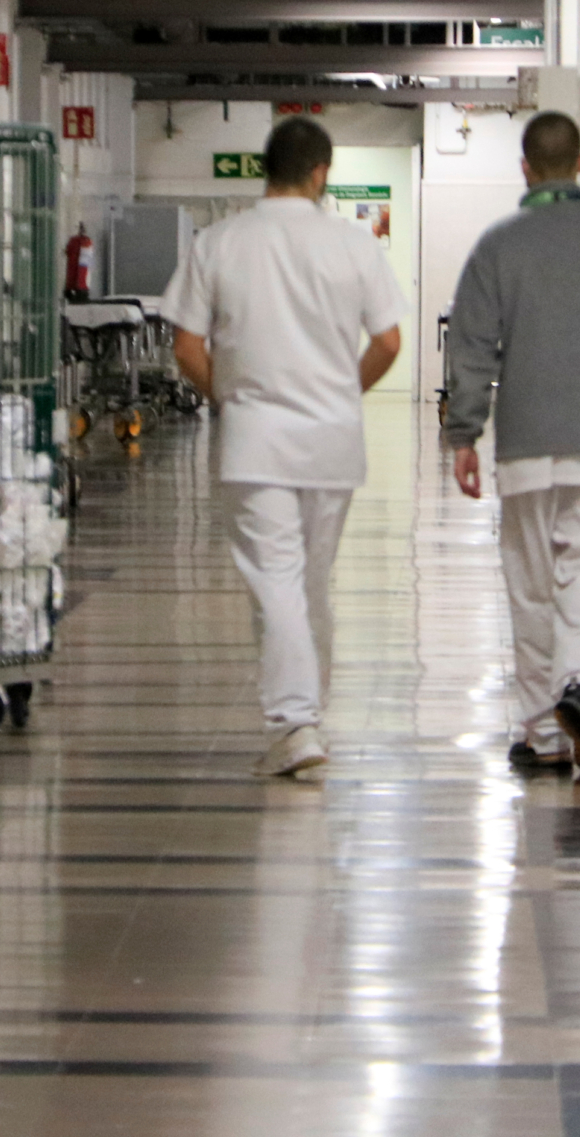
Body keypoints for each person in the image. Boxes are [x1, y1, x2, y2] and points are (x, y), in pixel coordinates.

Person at [162, 116, 406, 778]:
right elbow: (387, 343)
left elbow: (185, 345)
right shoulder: (354, 245)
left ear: (266, 169)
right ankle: (307, 715)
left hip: (256, 441)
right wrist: (344, 394)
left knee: (275, 581)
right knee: (310, 581)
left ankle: (297, 724)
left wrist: (229, 395)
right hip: (332, 440)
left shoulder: (219, 242)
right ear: (321, 172)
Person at [443, 110, 580, 777]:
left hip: (527, 448)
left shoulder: (496, 246)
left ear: (523, 169)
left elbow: (471, 347)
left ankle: (543, 730)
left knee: (533, 585)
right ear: (579, 165)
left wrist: (464, 433)